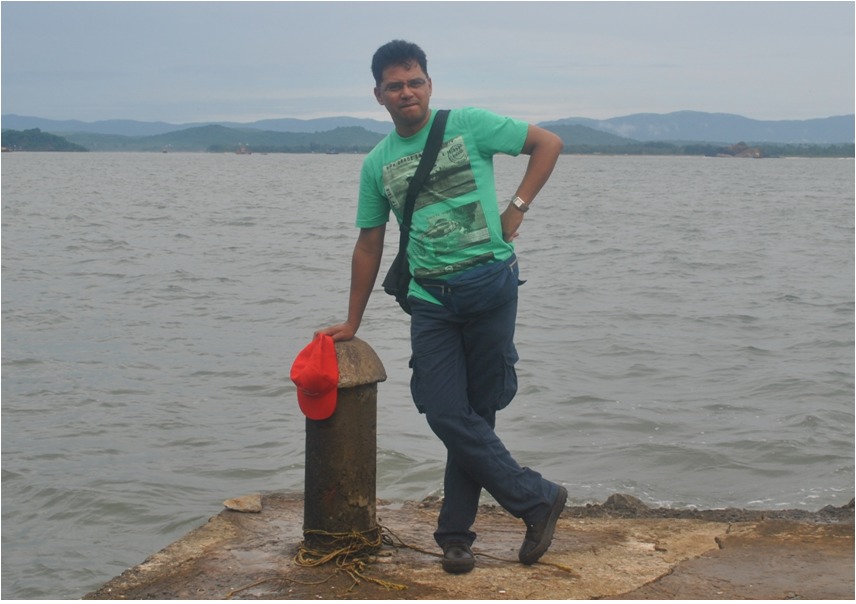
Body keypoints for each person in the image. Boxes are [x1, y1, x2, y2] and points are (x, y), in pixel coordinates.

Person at [317, 40, 566, 574]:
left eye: (415, 82)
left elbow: (547, 143)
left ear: (429, 84)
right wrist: (354, 320)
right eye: (394, 85)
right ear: (378, 95)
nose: (406, 92)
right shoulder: (377, 163)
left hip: (490, 287)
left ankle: (456, 536)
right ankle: (536, 498)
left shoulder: (469, 124)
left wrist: (517, 208)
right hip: (430, 300)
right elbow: (369, 242)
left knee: (476, 414)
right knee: (445, 411)